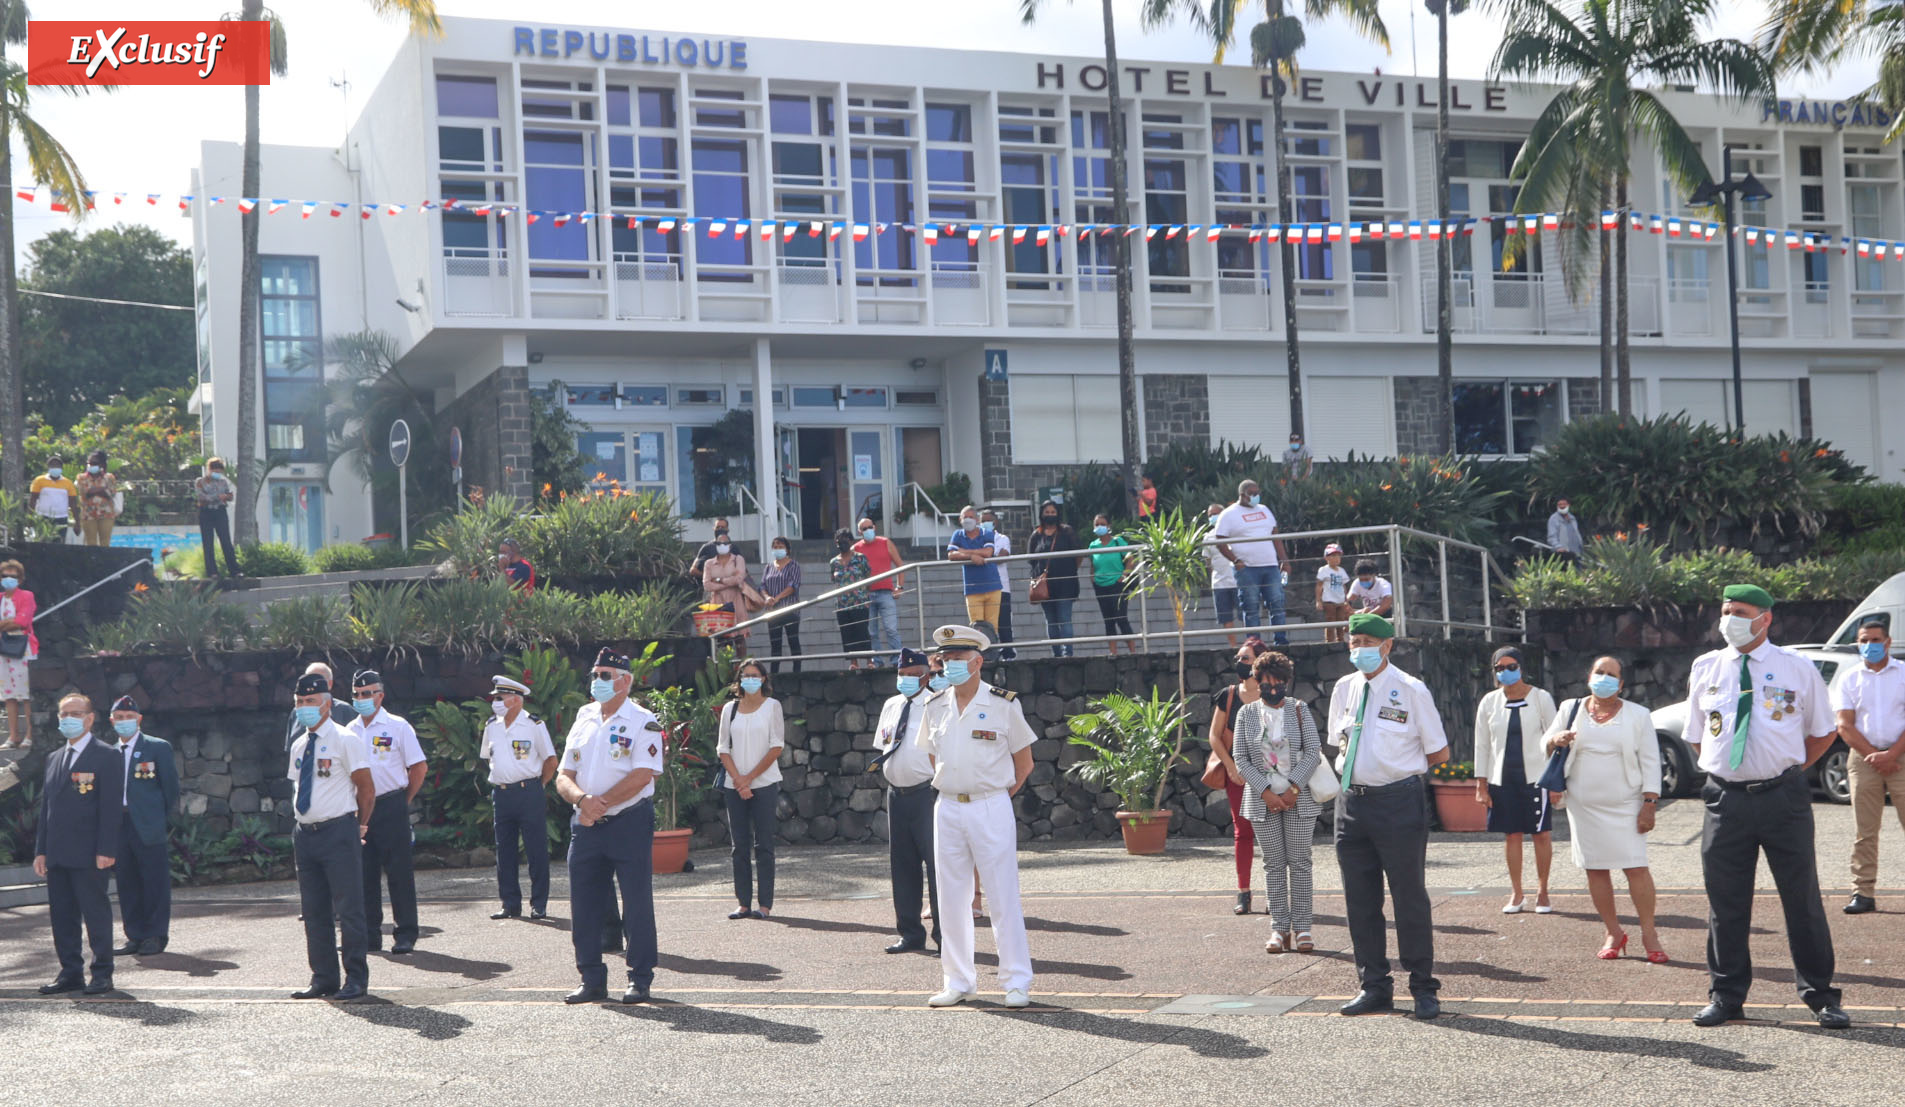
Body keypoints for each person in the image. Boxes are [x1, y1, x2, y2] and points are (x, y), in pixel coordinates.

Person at [1682, 583, 1848, 1030]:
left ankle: (1821, 996)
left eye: (1739, 611)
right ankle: (1726, 995)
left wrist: (1787, 771)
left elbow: (1822, 732)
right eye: (1724, 610)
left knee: (1802, 899)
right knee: (1726, 902)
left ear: (1765, 618)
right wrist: (1728, 771)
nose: (1728, 618)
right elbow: (1697, 735)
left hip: (1783, 798)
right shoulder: (1707, 666)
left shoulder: (1796, 668)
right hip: (1725, 800)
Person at [1328, 612, 1449, 1019]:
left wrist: (1394, 769)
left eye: (1365, 640)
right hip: (1352, 804)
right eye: (1352, 641)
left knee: (1409, 898)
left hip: (1399, 803)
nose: (1357, 648)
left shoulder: (1410, 690)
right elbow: (1340, 742)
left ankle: (1422, 987)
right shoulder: (1344, 688)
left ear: (1386, 646)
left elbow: (1439, 751)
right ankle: (1374, 986)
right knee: (1359, 901)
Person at [917, 624, 1036, 1008]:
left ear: (978, 661)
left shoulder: (1003, 703)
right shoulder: (934, 706)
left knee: (1002, 896)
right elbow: (934, 757)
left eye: (958, 659)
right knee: (949, 898)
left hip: (990, 804)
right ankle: (958, 980)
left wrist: (995, 793)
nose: (950, 666)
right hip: (948, 805)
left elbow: (1025, 762)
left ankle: (1016, 981)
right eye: (946, 659)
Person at [555, 647, 664, 1005]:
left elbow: (643, 775)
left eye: (604, 676)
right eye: (594, 675)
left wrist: (599, 804)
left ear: (625, 681)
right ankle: (591, 978)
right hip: (585, 823)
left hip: (628, 821)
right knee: (583, 905)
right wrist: (582, 801)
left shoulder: (642, 720)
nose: (596, 682)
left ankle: (640, 977)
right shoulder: (584, 716)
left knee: (635, 902)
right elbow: (563, 774)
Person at [1543, 656, 1665, 961]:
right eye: (1600, 672)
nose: (1605, 678)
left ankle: (1649, 932)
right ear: (1589, 677)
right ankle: (1613, 931)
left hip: (1627, 804)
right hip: (1584, 806)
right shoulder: (1570, 708)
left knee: (1636, 868)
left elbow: (1651, 761)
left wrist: (1649, 804)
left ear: (1621, 684)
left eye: (1612, 675)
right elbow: (1544, 743)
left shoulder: (1638, 715)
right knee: (1595, 869)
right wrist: (1555, 739)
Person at [287, 671, 375, 1001]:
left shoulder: (345, 739)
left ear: (326, 705)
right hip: (306, 834)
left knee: (349, 908)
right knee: (314, 911)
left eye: (310, 702)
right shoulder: (299, 743)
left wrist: (360, 825)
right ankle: (323, 977)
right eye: (299, 702)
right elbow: (298, 785)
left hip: (338, 830)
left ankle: (355, 979)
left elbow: (366, 789)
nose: (304, 707)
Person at [33, 693, 123, 995]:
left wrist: (107, 849)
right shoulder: (55, 757)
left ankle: (102, 973)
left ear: (89, 718)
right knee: (62, 916)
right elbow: (47, 809)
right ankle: (70, 972)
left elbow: (111, 809)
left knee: (95, 913)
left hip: (89, 853)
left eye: (75, 713)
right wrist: (41, 850)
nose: (68, 719)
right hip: (58, 853)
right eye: (63, 714)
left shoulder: (107, 755)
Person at [1233, 650, 1322, 953]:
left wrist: (1293, 789)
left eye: (1278, 682)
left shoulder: (1300, 709)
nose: (1272, 689)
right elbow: (1240, 758)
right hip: (1262, 801)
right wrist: (1266, 792)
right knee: (1273, 865)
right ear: (1257, 683)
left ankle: (1303, 928)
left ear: (1286, 681)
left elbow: (1313, 750)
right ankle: (1279, 929)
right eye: (1266, 683)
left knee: (1299, 864)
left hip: (1300, 799)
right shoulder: (1245, 713)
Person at [1472, 646, 1559, 915]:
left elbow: (1555, 740)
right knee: (1512, 835)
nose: (1506, 672)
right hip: (1503, 777)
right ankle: (1517, 892)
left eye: (1511, 667)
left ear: (1521, 667)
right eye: (1500, 668)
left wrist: (1556, 782)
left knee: (1541, 834)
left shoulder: (1541, 698)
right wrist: (1481, 783)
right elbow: (1482, 745)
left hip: (1536, 777)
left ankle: (1542, 891)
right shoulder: (1489, 702)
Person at [348, 670, 426, 955]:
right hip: (360, 809)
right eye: (357, 694)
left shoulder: (398, 726)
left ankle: (405, 934)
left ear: (380, 695)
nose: (361, 699)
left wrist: (403, 800)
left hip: (392, 805)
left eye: (367, 693)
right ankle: (370, 935)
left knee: (399, 874)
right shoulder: (349, 730)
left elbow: (418, 767)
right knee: (364, 875)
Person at [1833, 614, 1905, 915]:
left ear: (1888, 642)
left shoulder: (1903, 673)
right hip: (1863, 759)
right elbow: (1844, 725)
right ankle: (1863, 892)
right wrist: (1874, 755)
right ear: (1857, 644)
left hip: (1901, 755)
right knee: (1865, 831)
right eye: (1864, 641)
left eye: (1876, 640)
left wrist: (1891, 755)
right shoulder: (1850, 678)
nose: (1870, 646)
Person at [873, 648, 940, 953]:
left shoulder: (938, 704)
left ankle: (945, 935)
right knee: (902, 866)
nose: (908, 680)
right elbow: (884, 745)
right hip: (896, 794)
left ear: (926, 675)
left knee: (938, 868)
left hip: (927, 793)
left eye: (914, 675)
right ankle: (910, 933)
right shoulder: (890, 705)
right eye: (903, 675)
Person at [479, 674, 557, 920]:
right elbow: (488, 757)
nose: (495, 702)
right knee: (505, 851)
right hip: (501, 794)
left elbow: (551, 760)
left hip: (528, 792)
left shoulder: (533, 725)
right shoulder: (491, 725)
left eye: (499, 698)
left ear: (515, 700)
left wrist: (538, 786)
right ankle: (510, 903)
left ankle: (539, 903)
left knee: (535, 849)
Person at [108, 697, 178, 957]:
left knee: (154, 881)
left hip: (148, 823)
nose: (124, 721)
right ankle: (134, 935)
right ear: (111, 721)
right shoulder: (109, 752)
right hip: (119, 824)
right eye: (119, 717)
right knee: (127, 881)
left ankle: (155, 935)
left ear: (139, 719)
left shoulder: (157, 748)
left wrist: (157, 817)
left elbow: (170, 788)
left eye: (129, 716)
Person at [717, 658, 785, 921]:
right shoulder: (729, 709)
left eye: (755, 675)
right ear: (739, 680)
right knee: (739, 845)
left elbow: (776, 746)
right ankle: (743, 903)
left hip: (764, 784)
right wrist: (739, 780)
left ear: (764, 679)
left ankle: (765, 905)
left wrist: (749, 778)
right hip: (734, 785)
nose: (750, 680)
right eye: (745, 675)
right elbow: (723, 748)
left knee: (764, 845)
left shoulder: (772, 707)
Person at [1209, 640, 1271, 914]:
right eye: (1238, 657)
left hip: (1269, 774)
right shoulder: (1229, 694)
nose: (1240, 662)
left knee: (1271, 834)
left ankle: (1275, 891)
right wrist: (1230, 767)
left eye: (1246, 658)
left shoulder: (1273, 693)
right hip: (1238, 776)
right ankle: (1243, 892)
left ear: (1260, 661)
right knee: (1242, 832)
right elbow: (1214, 734)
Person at [1212, 479, 1289, 646]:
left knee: (1277, 603)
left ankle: (1281, 642)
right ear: (1242, 495)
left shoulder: (1264, 510)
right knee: (1251, 606)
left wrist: (1284, 560)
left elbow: (1276, 536)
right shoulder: (1229, 514)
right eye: (1252, 494)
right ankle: (1255, 645)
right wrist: (1236, 561)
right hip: (1247, 569)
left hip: (1270, 566)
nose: (1256, 497)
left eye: (1258, 493)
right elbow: (1220, 541)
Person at [1026, 500, 1082, 657]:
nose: (1050, 515)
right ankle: (1056, 654)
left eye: (1053, 512)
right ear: (1042, 514)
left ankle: (1067, 653)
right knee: (1051, 620)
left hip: (1065, 583)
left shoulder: (1066, 531)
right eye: (1047, 512)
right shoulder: (1036, 535)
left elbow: (1078, 555)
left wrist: (1069, 570)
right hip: (1045, 585)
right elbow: (1031, 559)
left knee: (1064, 619)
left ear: (1058, 514)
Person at [854, 517, 906, 665]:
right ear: (859, 531)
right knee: (871, 632)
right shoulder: (856, 548)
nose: (868, 530)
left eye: (870, 527)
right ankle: (877, 661)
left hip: (886, 592)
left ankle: (897, 661)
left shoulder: (885, 542)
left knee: (891, 629)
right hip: (866, 595)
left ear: (875, 527)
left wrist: (899, 587)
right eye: (864, 528)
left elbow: (900, 565)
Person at [947, 508, 1005, 632]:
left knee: (992, 627)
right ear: (960, 519)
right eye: (965, 517)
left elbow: (988, 552)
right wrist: (971, 556)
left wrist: (963, 551)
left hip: (992, 587)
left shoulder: (986, 533)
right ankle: (979, 652)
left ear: (977, 519)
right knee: (976, 629)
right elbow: (951, 555)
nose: (968, 520)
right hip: (972, 589)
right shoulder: (957, 534)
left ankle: (992, 651)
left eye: (971, 517)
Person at [1086, 514, 1138, 654]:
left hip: (1117, 584)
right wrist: (1093, 578)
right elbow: (1093, 563)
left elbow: (1130, 559)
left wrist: (1124, 575)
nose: (1099, 527)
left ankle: (1133, 652)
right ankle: (1113, 652)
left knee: (1121, 618)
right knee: (1108, 621)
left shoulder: (1117, 541)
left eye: (1102, 524)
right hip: (1101, 586)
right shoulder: (1093, 545)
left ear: (1109, 526)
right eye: (1097, 524)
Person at [0, 561, 38, 750]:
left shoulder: (27, 596)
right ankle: (13, 735)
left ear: (20, 579)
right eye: (5, 575)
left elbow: (23, 621)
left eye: (13, 576)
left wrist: (5, 624)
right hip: (3, 649)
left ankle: (30, 734)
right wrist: (9, 623)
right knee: (8, 694)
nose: (8, 579)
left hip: (23, 648)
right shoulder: (0, 598)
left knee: (26, 694)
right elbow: (14, 621)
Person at [283, 661, 358, 754]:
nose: (311, 686)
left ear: (330, 684)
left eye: (318, 681)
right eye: (308, 680)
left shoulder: (345, 711)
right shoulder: (296, 713)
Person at [829, 528, 874, 670]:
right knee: (847, 633)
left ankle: (869, 661)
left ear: (850, 541)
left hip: (859, 601)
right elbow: (833, 579)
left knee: (862, 631)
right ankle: (853, 662)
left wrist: (864, 594)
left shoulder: (860, 558)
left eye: (844, 540)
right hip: (842, 603)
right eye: (838, 541)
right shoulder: (834, 562)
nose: (841, 544)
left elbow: (868, 577)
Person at [192, 458, 242, 577]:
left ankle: (235, 571)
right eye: (216, 471)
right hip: (206, 513)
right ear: (209, 470)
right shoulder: (200, 481)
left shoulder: (223, 482)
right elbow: (201, 497)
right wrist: (218, 497)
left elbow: (228, 496)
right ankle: (212, 572)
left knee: (226, 541)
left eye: (220, 472)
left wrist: (228, 496)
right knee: (208, 543)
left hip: (220, 512)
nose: (218, 474)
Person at [760, 537, 803, 674]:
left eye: (780, 546)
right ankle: (774, 673)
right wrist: (767, 597)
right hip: (773, 611)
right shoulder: (768, 567)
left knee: (793, 640)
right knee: (775, 644)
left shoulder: (793, 565)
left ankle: (797, 672)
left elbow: (793, 586)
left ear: (787, 549)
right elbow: (762, 586)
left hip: (789, 609)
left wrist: (777, 598)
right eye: (775, 546)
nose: (778, 549)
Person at [980, 509, 1018, 661]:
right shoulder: (977, 539)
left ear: (995, 522)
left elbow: (1002, 557)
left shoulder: (1002, 538)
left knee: (1004, 623)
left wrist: (984, 556)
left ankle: (1008, 654)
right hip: (982, 588)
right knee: (985, 625)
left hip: (1002, 587)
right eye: (982, 520)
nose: (985, 523)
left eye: (988, 520)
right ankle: (989, 655)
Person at [1206, 504, 1240, 649]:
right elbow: (1208, 562)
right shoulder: (1207, 537)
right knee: (1226, 618)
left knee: (1246, 614)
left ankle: (1251, 644)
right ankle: (1233, 647)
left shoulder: (1235, 532)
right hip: (1219, 584)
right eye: (1209, 515)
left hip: (1238, 581)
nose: (1212, 517)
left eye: (1215, 513)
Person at [75, 451, 120, 548]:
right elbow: (84, 493)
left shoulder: (109, 477)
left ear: (102, 464)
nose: (91, 465)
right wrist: (101, 490)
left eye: (94, 463)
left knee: (105, 543)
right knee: (90, 543)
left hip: (106, 514)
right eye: (90, 463)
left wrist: (94, 491)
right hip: (88, 515)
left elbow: (111, 493)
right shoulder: (81, 478)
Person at [29, 455, 78, 541]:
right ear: (48, 467)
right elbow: (33, 499)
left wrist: (77, 521)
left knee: (59, 543)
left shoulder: (68, 483)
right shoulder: (39, 480)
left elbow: (73, 503)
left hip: (61, 519)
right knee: (42, 542)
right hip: (43, 517)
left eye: (57, 466)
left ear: (61, 468)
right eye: (53, 465)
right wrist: (30, 517)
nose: (55, 467)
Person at [1315, 543, 1352, 644]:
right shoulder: (1323, 570)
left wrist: (1346, 599)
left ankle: (1340, 640)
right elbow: (1319, 585)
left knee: (1341, 620)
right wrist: (1318, 601)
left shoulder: (1342, 571)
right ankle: (1329, 641)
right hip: (1328, 600)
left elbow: (1344, 585)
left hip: (1340, 600)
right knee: (1330, 620)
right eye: (1333, 555)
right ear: (1326, 557)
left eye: (1338, 555)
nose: (1336, 558)